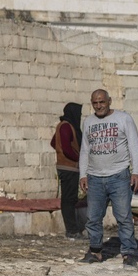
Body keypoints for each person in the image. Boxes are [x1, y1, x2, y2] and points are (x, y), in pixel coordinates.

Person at [79, 89, 138, 269]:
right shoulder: (89, 122)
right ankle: (95, 251)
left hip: (119, 176)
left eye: (102, 102)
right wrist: (83, 174)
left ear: (109, 101)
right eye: (95, 103)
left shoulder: (123, 118)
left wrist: (137, 171)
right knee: (93, 217)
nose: (99, 106)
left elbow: (134, 146)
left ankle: (129, 254)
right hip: (95, 178)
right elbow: (85, 150)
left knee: (123, 217)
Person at [51, 102, 84, 240]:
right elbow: (66, 148)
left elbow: (54, 142)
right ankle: (72, 230)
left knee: (70, 198)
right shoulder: (66, 126)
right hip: (69, 168)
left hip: (70, 167)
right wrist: (78, 159)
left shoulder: (65, 126)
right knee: (69, 200)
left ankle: (73, 230)